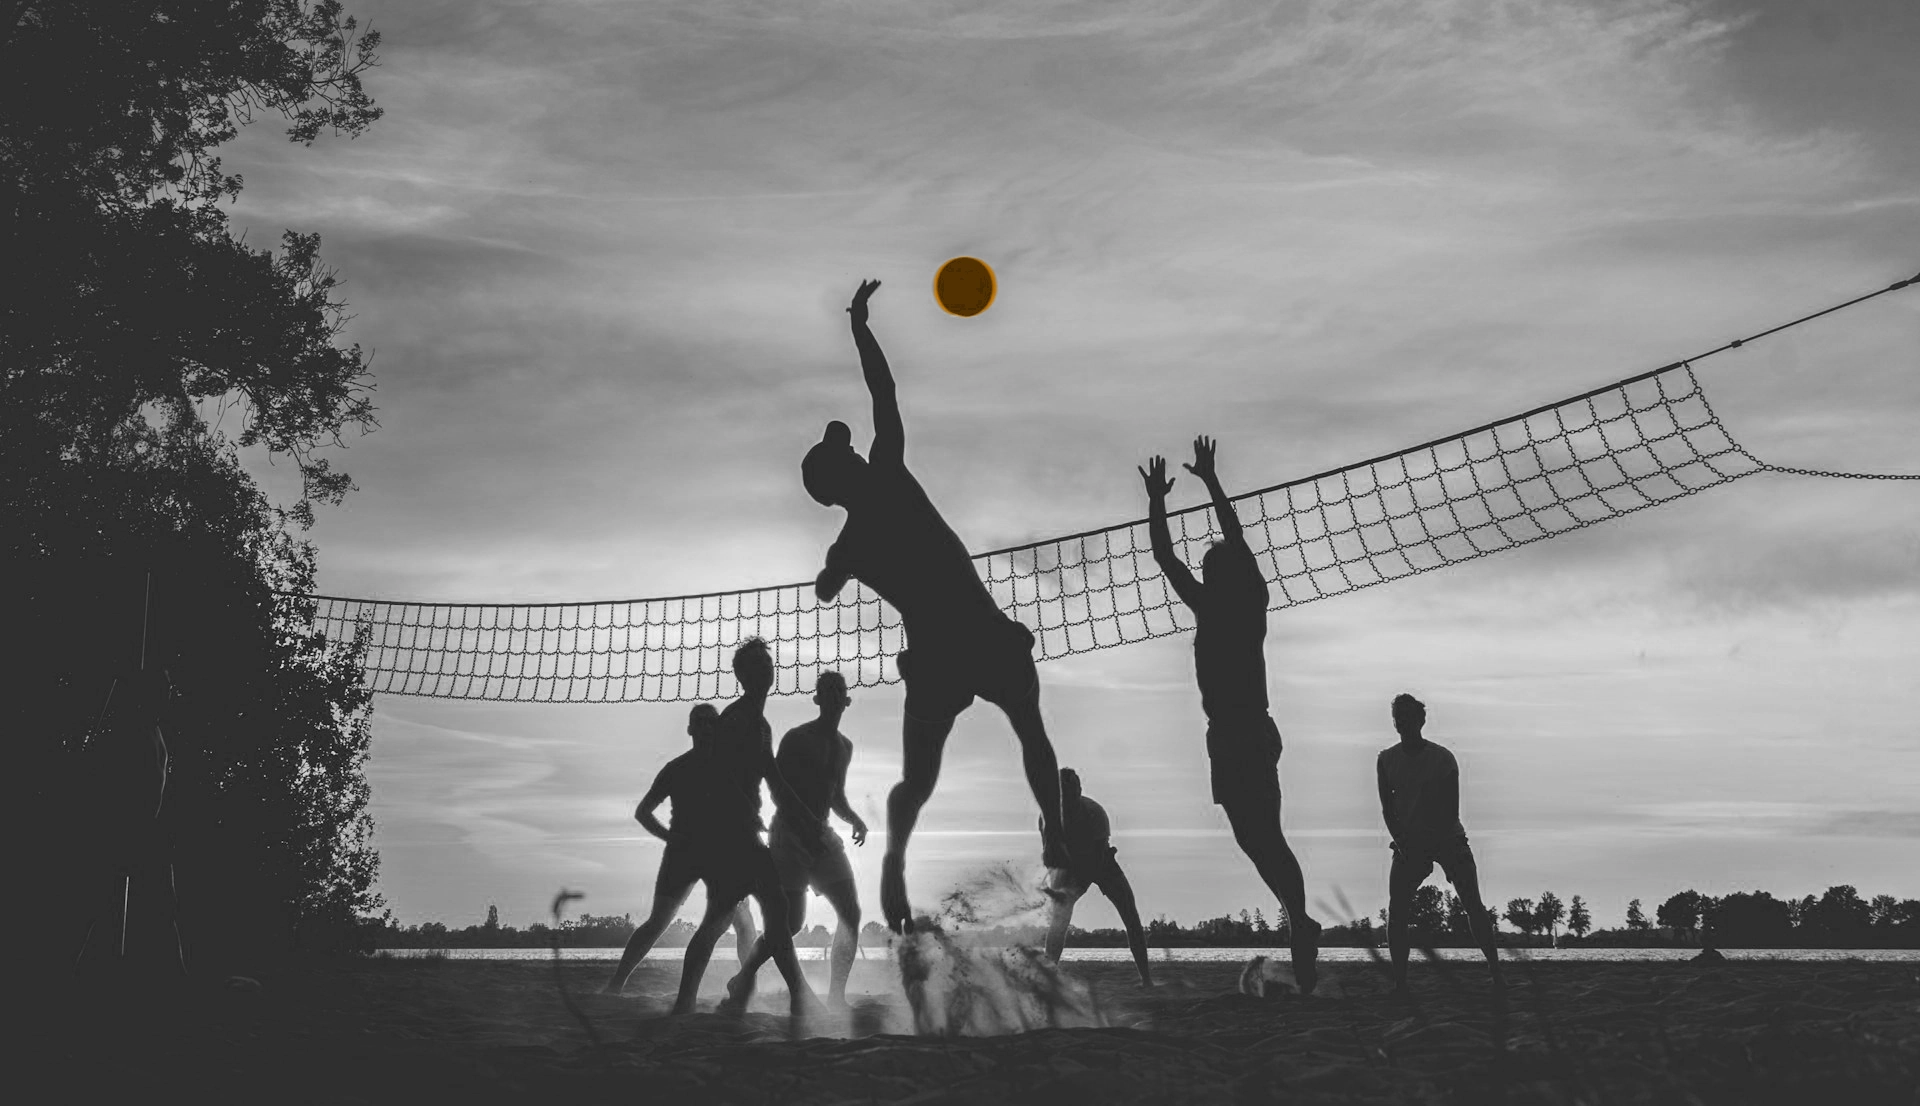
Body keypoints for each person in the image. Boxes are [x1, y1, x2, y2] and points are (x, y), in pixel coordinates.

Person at [803, 279, 1069, 933]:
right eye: (846, 452)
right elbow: (883, 393)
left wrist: (836, 567)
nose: (857, 447)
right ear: (846, 471)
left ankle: (894, 860)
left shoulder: (851, 540)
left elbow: (824, 590)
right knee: (1031, 733)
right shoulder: (887, 472)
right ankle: (1055, 836)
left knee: (917, 782)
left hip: (935, 656)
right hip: (978, 634)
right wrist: (861, 327)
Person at [1140, 436, 1322, 993]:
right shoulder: (1229, 603)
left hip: (1243, 727)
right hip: (1231, 731)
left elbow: (1192, 551)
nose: (1203, 567)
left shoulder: (1234, 604)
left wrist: (1182, 492)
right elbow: (1181, 556)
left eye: (1209, 564)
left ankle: (1301, 923)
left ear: (1221, 574)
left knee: (1265, 833)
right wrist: (1182, 491)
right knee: (1252, 836)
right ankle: (1300, 917)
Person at [670, 639, 824, 1018]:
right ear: (742, 676)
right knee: (746, 915)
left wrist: (807, 821)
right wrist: (740, 811)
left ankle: (707, 999)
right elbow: (716, 775)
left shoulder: (760, 723)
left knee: (757, 914)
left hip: (742, 835)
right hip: (728, 835)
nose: (764, 673)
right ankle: (794, 997)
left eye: (767, 666)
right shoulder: (736, 720)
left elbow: (774, 780)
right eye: (755, 668)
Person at [722, 671, 869, 1010]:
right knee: (791, 923)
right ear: (817, 699)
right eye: (826, 691)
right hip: (789, 833)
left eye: (838, 690)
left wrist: (854, 818)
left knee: (850, 912)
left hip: (822, 833)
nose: (832, 695)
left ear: (846, 699)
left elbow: (836, 796)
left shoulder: (845, 746)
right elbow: (779, 790)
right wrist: (802, 828)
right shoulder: (797, 738)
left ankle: (836, 996)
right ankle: (744, 976)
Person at [603, 703, 758, 995]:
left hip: (723, 853)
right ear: (690, 729)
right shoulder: (676, 769)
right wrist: (670, 838)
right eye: (700, 723)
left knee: (743, 920)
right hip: (683, 854)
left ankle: (748, 985)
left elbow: (745, 806)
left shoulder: (731, 766)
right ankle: (615, 984)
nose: (706, 728)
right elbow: (643, 812)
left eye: (711, 723)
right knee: (658, 922)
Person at [1377, 693, 1502, 992]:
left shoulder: (1443, 758)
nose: (1403, 722)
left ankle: (1496, 972)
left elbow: (1450, 810)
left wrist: (1430, 842)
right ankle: (1401, 982)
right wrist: (1404, 844)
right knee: (1397, 910)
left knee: (1473, 903)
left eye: (1409, 717)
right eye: (1398, 717)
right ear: (1394, 723)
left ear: (1421, 720)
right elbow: (1388, 810)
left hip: (1448, 838)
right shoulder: (1386, 760)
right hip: (1407, 842)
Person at [75, 665, 187, 981]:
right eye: (163, 687)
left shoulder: (155, 731)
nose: (169, 693)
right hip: (124, 831)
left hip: (147, 833)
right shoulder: (132, 728)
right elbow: (111, 783)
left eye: (170, 687)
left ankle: (175, 981)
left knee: (163, 906)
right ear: (148, 693)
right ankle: (69, 976)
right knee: (97, 903)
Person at [1039, 768, 1152, 988]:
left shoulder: (1094, 812)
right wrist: (1057, 890)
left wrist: (1082, 882)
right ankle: (1049, 978)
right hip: (1069, 867)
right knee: (1059, 919)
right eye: (1065, 793)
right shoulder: (1047, 817)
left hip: (1102, 863)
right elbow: (1050, 855)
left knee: (1131, 915)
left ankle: (1146, 979)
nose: (1070, 798)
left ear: (1080, 791)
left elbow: (1098, 859)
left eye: (1074, 792)